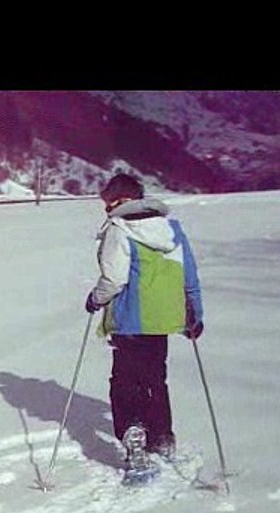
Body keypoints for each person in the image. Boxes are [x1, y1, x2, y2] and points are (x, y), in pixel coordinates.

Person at [84, 173, 204, 472]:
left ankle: (133, 434)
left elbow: (114, 279)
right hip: (165, 317)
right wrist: (194, 314)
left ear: (117, 200)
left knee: (125, 380)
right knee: (154, 376)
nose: (106, 210)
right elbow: (189, 275)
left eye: (107, 203)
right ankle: (162, 435)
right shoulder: (171, 229)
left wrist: (95, 299)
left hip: (129, 319)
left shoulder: (119, 229)